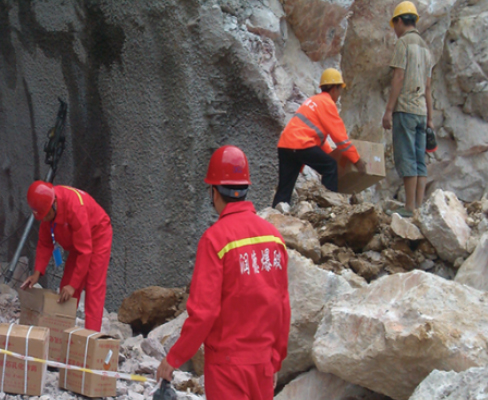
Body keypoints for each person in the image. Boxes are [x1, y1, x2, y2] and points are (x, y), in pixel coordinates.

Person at [156, 145, 291, 400]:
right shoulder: (275, 238)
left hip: (227, 367)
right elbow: (282, 305)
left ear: (214, 191)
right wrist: (276, 359)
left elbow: (204, 313)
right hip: (262, 365)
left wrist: (173, 359)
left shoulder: (215, 240)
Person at [21, 181, 113, 331]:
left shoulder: (76, 208)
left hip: (97, 235)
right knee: (66, 287)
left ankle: (90, 337)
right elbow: (45, 243)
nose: (45, 220)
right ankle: (61, 332)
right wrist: (36, 273)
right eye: (42, 217)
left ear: (54, 204)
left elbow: (85, 251)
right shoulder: (46, 210)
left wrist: (74, 285)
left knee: (93, 287)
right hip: (79, 242)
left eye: (47, 215)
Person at [272, 68, 366, 207]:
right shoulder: (328, 104)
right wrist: (357, 161)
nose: (340, 94)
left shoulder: (314, 101)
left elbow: (317, 138)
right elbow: (341, 139)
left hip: (286, 145)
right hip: (301, 145)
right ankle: (328, 208)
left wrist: (330, 155)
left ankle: (275, 216)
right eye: (340, 89)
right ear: (334, 89)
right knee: (330, 167)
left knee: (285, 188)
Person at [382, 1, 433, 218]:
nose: (394, 29)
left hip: (405, 110)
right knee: (420, 160)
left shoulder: (403, 44)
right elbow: (429, 87)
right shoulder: (425, 48)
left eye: (395, 24)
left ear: (400, 21)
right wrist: (430, 119)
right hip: (421, 111)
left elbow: (398, 77)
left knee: (406, 158)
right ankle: (419, 208)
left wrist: (388, 110)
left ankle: (409, 207)